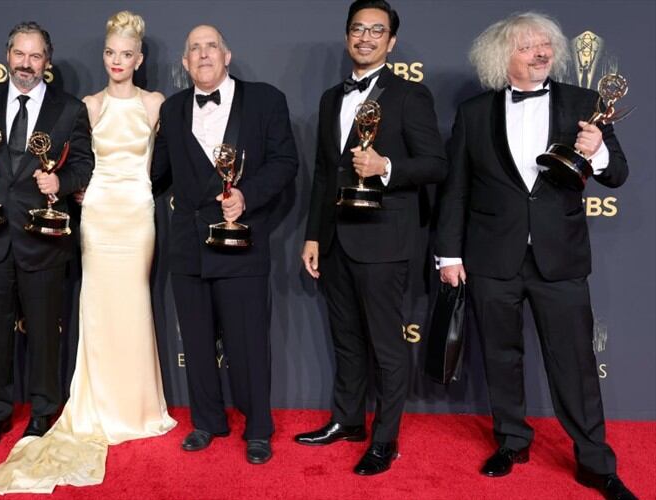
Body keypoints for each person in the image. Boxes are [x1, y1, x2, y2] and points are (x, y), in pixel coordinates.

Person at [436, 12, 636, 500]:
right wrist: (448, 255)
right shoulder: (474, 112)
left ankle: (594, 463)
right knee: (501, 358)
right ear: (502, 56)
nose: (541, 52)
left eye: (546, 44)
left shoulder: (584, 103)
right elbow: (456, 190)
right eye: (528, 46)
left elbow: (617, 174)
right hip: (491, 258)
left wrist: (599, 152)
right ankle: (511, 441)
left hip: (559, 259)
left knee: (575, 364)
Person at [0, 12, 176, 493]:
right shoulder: (85, 104)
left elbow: (149, 164)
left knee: (132, 308)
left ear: (139, 58)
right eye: (111, 53)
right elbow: (80, 161)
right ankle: (76, 404)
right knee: (93, 310)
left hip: (135, 215)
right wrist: (75, 188)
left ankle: (134, 405)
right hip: (96, 216)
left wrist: (65, 182)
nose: (118, 61)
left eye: (126, 54)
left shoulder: (154, 104)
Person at [295, 0, 447, 475]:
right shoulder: (329, 98)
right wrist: (314, 235)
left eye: (376, 31)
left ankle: (385, 439)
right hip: (338, 240)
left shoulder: (409, 95)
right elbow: (323, 173)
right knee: (346, 339)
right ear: (347, 37)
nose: (365, 37)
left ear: (391, 42)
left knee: (386, 344)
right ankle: (347, 421)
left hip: (385, 241)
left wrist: (387, 167)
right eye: (357, 29)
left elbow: (436, 165)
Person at [152, 24, 298, 465]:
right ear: (184, 62)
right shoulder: (174, 109)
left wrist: (246, 196)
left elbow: (285, 162)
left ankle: (258, 428)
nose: (202, 54)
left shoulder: (266, 100)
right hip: (188, 246)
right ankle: (207, 421)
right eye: (193, 48)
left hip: (242, 241)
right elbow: (155, 174)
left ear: (227, 54)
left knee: (248, 342)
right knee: (195, 341)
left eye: (210, 46)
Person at [0, 21, 94, 451]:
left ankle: (42, 410)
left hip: (44, 237)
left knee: (45, 334)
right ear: (7, 55)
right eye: (20, 54)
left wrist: (62, 184)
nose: (26, 63)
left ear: (46, 62)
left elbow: (84, 164)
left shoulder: (69, 108)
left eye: (35, 56)